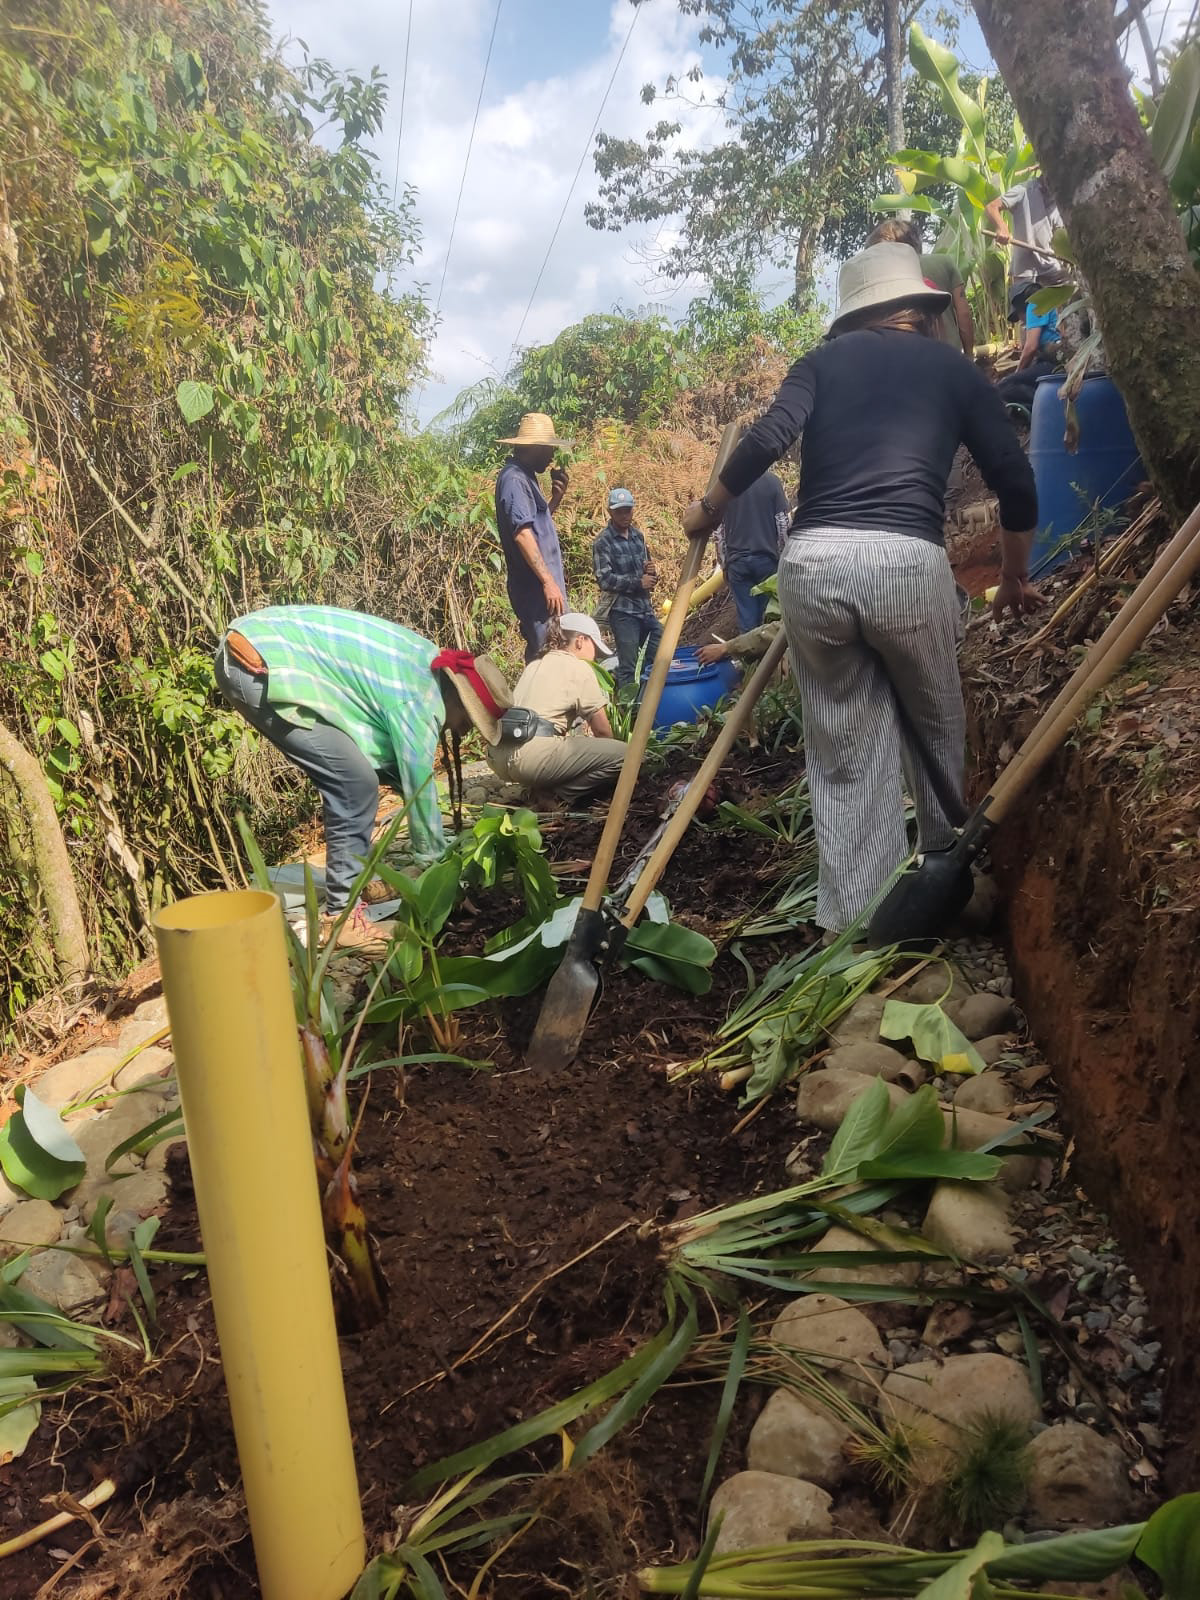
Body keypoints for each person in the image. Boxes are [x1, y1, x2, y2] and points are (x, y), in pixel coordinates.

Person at [681, 243, 1040, 939]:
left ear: (852, 317)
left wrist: (710, 508)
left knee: (845, 754)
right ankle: (945, 879)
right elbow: (1015, 482)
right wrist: (1017, 574)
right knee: (935, 725)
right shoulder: (954, 370)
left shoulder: (819, 363)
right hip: (906, 563)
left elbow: (767, 438)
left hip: (813, 568)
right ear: (923, 310)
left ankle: (857, 931)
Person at [214, 606, 508, 951]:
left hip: (259, 645)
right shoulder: (421, 702)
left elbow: (400, 773)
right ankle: (341, 919)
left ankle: (352, 882)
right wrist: (442, 881)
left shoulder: (424, 667)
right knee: (354, 787)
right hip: (257, 665)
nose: (465, 731)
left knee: (366, 776)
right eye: (470, 721)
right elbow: (418, 785)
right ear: (458, 699)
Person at [487, 612, 627, 807]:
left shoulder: (533, 665)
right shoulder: (579, 668)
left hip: (497, 756)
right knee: (626, 756)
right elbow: (602, 731)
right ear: (580, 641)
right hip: (531, 759)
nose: (595, 656)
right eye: (594, 647)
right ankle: (558, 795)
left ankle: (536, 788)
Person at [494, 412, 571, 663]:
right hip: (537, 593)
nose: (551, 457)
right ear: (534, 448)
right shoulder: (514, 479)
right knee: (550, 660)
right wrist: (548, 581)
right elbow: (523, 535)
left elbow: (533, 526)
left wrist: (555, 500)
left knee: (546, 656)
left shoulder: (525, 478)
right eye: (548, 449)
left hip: (541, 593)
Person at [866, 218, 975, 359]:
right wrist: (969, 355)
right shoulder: (944, 262)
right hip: (950, 354)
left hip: (907, 359)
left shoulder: (883, 273)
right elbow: (963, 314)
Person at [591, 487, 663, 687]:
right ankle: (628, 712)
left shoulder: (638, 537)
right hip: (623, 613)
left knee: (659, 650)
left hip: (645, 609)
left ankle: (647, 699)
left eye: (627, 510)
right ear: (610, 512)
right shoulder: (603, 542)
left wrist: (651, 572)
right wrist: (637, 582)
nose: (624, 515)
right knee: (628, 666)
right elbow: (604, 579)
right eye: (619, 511)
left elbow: (648, 574)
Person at [983, 177, 1068, 321]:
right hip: (1025, 269)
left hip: (1051, 266)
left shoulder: (1060, 199)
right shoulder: (1023, 191)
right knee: (1027, 317)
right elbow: (992, 207)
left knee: (1069, 304)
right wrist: (1002, 228)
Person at [717, 471, 791, 632]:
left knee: (747, 621)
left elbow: (719, 530)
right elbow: (782, 524)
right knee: (769, 617)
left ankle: (747, 655)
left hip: (737, 563)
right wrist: (784, 556)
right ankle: (767, 656)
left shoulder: (728, 484)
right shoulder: (772, 482)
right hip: (767, 560)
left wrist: (724, 564)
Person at [996, 298, 1063, 415]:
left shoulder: (1034, 304)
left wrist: (1016, 373)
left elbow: (1031, 347)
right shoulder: (1050, 302)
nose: (1021, 321)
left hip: (1055, 362)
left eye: (1019, 316)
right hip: (1056, 361)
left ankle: (1044, 408)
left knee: (1005, 386)